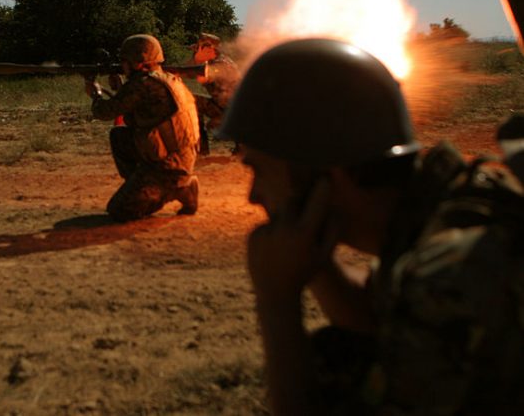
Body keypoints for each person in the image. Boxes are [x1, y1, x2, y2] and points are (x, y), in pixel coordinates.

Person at [218, 38, 524, 415]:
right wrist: (313, 263)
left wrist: (276, 300)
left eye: (258, 170)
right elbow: (377, 316)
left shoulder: (451, 275)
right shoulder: (458, 200)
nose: (252, 195)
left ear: (320, 172)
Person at [86, 34, 200, 222]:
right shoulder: (168, 79)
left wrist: (95, 94)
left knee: (119, 210)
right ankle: (166, 184)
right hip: (181, 157)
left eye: (125, 61)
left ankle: (176, 189)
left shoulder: (142, 85)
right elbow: (139, 116)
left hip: (166, 167)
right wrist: (121, 88)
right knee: (120, 136)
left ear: (137, 63)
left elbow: (105, 112)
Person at [188, 33, 241, 155]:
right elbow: (189, 69)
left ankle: (241, 146)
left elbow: (201, 74)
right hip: (225, 108)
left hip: (236, 113)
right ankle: (202, 150)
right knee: (194, 101)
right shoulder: (212, 61)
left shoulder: (222, 64)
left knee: (193, 101)